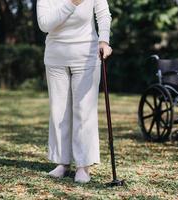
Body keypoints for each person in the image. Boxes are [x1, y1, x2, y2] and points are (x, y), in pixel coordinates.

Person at [36, 0, 112, 183]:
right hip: (56, 58)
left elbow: (103, 14)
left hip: (86, 57)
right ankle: (62, 162)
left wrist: (104, 41)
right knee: (59, 112)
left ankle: (83, 166)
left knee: (83, 111)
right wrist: (72, 3)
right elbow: (44, 24)